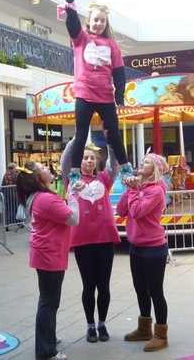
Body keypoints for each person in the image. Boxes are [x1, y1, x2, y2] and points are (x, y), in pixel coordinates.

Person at [60, 0, 133, 187]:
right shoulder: (80, 38)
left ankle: (125, 167)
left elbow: (119, 74)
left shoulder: (112, 46)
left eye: (102, 20)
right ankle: (74, 172)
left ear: (106, 23)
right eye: (95, 20)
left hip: (106, 97)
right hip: (84, 94)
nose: (99, 23)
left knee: (114, 134)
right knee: (81, 134)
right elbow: (72, 23)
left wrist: (120, 99)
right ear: (89, 21)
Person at [16, 161, 80, 360]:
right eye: (43, 168)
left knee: (49, 300)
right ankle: (46, 350)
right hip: (49, 254)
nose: (47, 168)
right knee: (49, 302)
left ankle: (47, 337)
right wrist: (74, 196)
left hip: (46, 253)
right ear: (37, 178)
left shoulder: (40, 197)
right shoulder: (45, 199)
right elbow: (73, 218)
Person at [60, 139, 120, 343]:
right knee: (88, 286)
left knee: (104, 286)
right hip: (83, 240)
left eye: (92, 158)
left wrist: (112, 143)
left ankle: (102, 324)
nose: (88, 161)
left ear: (97, 161)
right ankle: (90, 326)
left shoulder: (105, 179)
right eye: (85, 157)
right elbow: (65, 162)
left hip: (105, 239)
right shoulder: (72, 179)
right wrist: (76, 140)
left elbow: (114, 165)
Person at [116, 153, 170, 352]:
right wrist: (129, 189)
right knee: (140, 289)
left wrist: (133, 191)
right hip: (136, 246)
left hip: (154, 248)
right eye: (142, 160)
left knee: (155, 291)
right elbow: (122, 211)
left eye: (146, 162)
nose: (141, 162)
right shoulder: (138, 188)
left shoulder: (156, 191)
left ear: (155, 169)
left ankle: (161, 335)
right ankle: (144, 328)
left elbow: (137, 212)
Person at [1, 162, 18, 227]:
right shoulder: (16, 175)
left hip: (6, 194)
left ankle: (7, 224)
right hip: (15, 195)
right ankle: (18, 222)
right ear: (14, 168)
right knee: (16, 209)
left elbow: (2, 185)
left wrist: (1, 194)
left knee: (8, 209)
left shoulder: (6, 175)